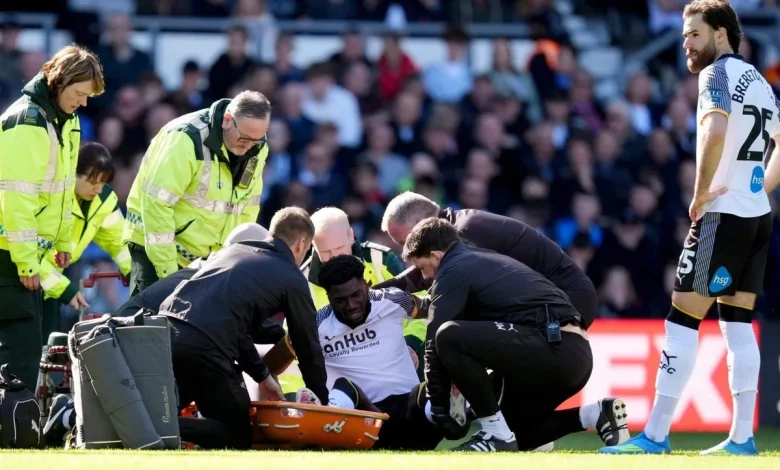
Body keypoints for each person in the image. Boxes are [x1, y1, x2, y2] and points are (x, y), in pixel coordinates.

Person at [603, 1, 779, 456]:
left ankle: (655, 435)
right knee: (737, 324)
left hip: (723, 214)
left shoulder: (716, 75)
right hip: (756, 213)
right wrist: (758, 185)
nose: (686, 42)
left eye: (694, 33)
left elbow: (715, 131)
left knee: (682, 320)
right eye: (684, 35)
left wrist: (700, 194)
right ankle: (741, 439)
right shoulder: (760, 82)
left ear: (721, 34)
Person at [41, 222, 281, 445]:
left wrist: (279, 334)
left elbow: (243, 326)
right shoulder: (215, 280)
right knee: (229, 430)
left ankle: (73, 415)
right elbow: (234, 327)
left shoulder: (207, 273)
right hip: (140, 348)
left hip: (149, 346)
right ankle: (77, 417)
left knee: (214, 421)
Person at [402, 217, 629, 452]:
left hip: (553, 349)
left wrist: (439, 407)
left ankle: (494, 433)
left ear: (436, 256)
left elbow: (434, 342)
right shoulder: (476, 259)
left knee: (448, 335)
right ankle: (596, 415)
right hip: (569, 353)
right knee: (517, 433)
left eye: (422, 268)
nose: (425, 277)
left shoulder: (454, 269)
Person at [158, 207, 328, 450]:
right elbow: (307, 346)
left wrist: (263, 374)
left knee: (169, 409)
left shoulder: (233, 251)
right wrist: (322, 402)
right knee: (236, 434)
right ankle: (159, 427)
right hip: (208, 346)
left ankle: (152, 425)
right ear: (302, 243)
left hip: (168, 332)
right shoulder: (292, 277)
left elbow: (235, 325)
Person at [0, 45, 104, 389]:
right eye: (80, 94)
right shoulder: (28, 123)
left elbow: (60, 190)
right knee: (19, 355)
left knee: (25, 351)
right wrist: (27, 263)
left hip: (25, 253)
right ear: (59, 81)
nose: (83, 103)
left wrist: (62, 243)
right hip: (10, 255)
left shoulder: (65, 121)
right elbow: (17, 198)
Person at [294, 254, 455, 450]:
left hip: (413, 417)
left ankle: (449, 414)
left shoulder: (391, 299)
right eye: (341, 300)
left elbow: (435, 308)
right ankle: (325, 415)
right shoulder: (314, 326)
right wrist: (266, 379)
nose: (351, 305)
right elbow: (281, 354)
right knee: (344, 386)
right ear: (329, 297)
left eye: (356, 295)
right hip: (365, 422)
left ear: (366, 285)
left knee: (425, 391)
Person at [122, 90, 271, 296]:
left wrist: (232, 260)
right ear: (227, 120)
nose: (249, 147)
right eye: (244, 138)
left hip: (208, 261)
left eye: (257, 140)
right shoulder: (185, 139)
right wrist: (168, 275)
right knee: (154, 315)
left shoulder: (257, 147)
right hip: (155, 248)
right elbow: (157, 205)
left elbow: (247, 208)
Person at [377, 191, 598, 330]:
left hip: (567, 300)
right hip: (558, 300)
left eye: (407, 241)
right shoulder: (458, 225)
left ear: (422, 222)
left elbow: (444, 292)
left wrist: (374, 294)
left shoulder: (463, 234)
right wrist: (375, 293)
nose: (409, 252)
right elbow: (422, 275)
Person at [278, 206, 426, 394]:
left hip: (399, 364)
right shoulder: (302, 283)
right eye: (326, 251)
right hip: (342, 380)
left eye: (339, 248)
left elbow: (420, 307)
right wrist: (295, 397)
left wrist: (411, 343)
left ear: (351, 235)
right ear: (313, 246)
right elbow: (294, 345)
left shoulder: (381, 261)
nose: (334, 256)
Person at [39, 142, 130, 341]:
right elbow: (30, 254)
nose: (98, 188)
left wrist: (134, 273)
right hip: (26, 281)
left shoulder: (104, 201)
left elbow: (119, 242)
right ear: (74, 174)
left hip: (52, 288)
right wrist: (65, 290)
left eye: (103, 182)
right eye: (92, 181)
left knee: (46, 349)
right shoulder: (52, 196)